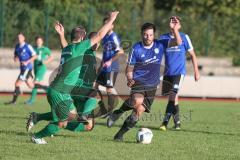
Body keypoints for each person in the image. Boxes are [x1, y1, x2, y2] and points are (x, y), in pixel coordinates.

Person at [30, 11, 119, 144]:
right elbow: (100, 35)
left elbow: (65, 45)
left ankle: (38, 119)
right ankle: (37, 136)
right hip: (60, 91)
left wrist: (61, 35)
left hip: (61, 90)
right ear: (83, 39)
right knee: (62, 123)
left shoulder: (68, 49)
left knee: (70, 119)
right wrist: (111, 20)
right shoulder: (80, 48)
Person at [107, 23, 167, 141]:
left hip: (153, 84)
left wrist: (175, 30)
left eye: (150, 35)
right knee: (136, 101)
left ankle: (119, 134)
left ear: (153, 35)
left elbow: (178, 43)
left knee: (138, 111)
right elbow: (129, 68)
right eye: (145, 34)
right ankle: (119, 112)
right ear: (141, 35)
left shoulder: (160, 45)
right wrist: (130, 78)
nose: (148, 37)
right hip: (138, 80)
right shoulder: (136, 48)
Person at [159, 16, 200, 131]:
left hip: (179, 72)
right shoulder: (163, 38)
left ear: (180, 24)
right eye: (172, 20)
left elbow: (192, 55)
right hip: (168, 73)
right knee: (173, 98)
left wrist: (196, 71)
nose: (174, 22)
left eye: (176, 21)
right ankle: (177, 123)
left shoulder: (184, 37)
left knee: (173, 95)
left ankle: (164, 123)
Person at [95, 16, 124, 116]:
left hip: (112, 68)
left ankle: (110, 111)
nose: (106, 26)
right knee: (95, 85)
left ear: (112, 25)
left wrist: (110, 61)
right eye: (105, 24)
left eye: (108, 24)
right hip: (104, 68)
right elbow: (105, 52)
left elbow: (120, 51)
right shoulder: (105, 37)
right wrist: (101, 65)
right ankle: (104, 105)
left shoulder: (113, 37)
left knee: (109, 88)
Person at [5, 33, 37, 105]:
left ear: (24, 38)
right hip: (22, 69)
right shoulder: (17, 46)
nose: (19, 38)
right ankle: (45, 88)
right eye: (18, 37)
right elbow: (16, 55)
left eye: (20, 37)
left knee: (17, 84)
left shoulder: (28, 46)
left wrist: (27, 61)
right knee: (30, 85)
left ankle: (14, 101)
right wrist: (15, 58)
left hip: (27, 68)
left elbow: (35, 56)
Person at [25, 36, 53, 105]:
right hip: (35, 68)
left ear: (42, 42)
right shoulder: (34, 49)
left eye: (40, 41)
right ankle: (48, 90)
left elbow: (51, 57)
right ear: (36, 41)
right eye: (37, 41)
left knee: (35, 82)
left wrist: (45, 62)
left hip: (41, 68)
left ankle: (32, 100)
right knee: (37, 84)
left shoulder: (45, 49)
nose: (38, 42)